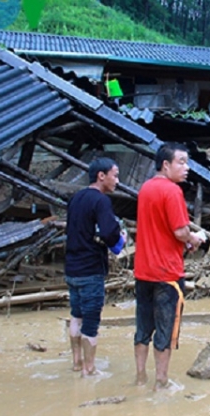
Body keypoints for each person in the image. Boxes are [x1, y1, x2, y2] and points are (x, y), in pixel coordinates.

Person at [133, 142, 205, 390]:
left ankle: (140, 377)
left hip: (143, 270)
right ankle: (161, 382)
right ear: (166, 165)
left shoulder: (145, 189)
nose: (186, 168)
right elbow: (180, 230)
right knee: (166, 332)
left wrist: (183, 240)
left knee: (143, 328)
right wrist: (193, 239)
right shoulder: (172, 191)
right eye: (182, 162)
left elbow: (160, 229)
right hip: (167, 275)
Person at [65, 157, 126, 377]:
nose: (117, 181)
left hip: (72, 269)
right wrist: (122, 239)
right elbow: (110, 233)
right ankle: (89, 370)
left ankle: (76, 363)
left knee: (76, 315)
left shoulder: (76, 198)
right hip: (90, 270)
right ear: (102, 176)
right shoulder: (101, 201)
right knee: (90, 322)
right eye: (115, 175)